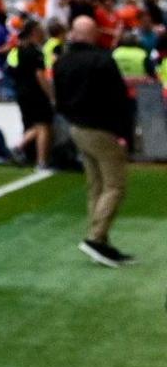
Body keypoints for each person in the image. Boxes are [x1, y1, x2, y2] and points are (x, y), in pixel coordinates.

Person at [53, 15, 135, 266]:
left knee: (96, 186)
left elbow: (59, 98)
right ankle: (96, 238)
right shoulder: (102, 60)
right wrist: (125, 134)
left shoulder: (62, 61)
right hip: (102, 129)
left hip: (77, 128)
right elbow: (119, 99)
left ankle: (101, 242)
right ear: (94, 34)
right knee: (115, 186)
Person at [4, 18, 55, 168]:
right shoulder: (36, 52)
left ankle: (20, 148)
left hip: (22, 92)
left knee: (36, 125)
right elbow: (40, 75)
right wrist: (51, 95)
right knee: (44, 125)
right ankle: (40, 160)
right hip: (35, 93)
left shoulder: (19, 51)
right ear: (34, 32)